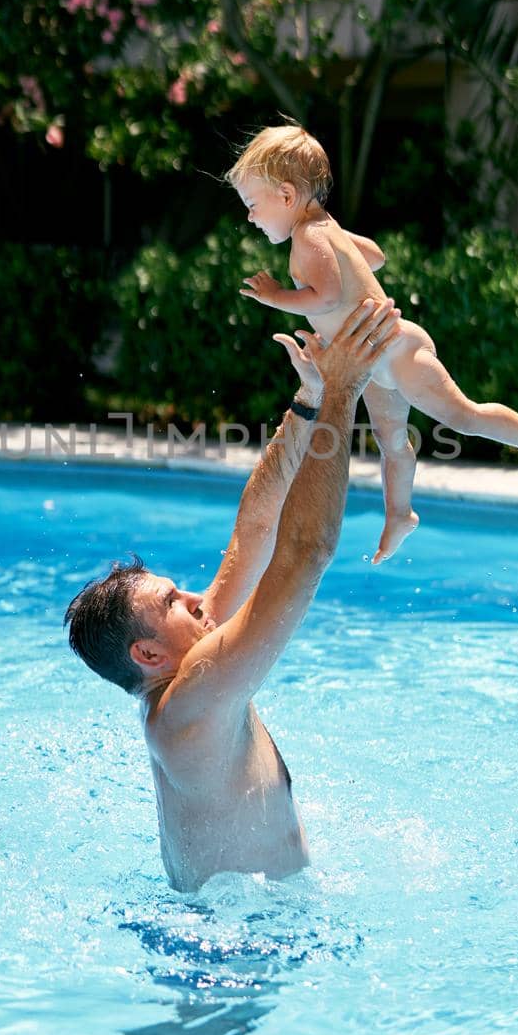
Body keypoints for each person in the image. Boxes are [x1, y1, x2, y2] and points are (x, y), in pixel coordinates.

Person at [65, 297, 403, 893]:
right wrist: (345, 397)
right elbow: (305, 555)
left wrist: (309, 401)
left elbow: (254, 532)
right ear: (147, 654)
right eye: (173, 602)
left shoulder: (183, 669)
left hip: (237, 921)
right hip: (234, 954)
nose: (198, 600)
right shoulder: (190, 701)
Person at [228, 122, 518, 564]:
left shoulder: (309, 236)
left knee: (462, 415)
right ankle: (400, 515)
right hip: (379, 363)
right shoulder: (326, 229)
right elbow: (375, 255)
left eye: (252, 205)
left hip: (399, 352)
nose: (250, 217)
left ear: (285, 196)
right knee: (391, 439)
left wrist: (276, 295)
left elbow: (328, 295)